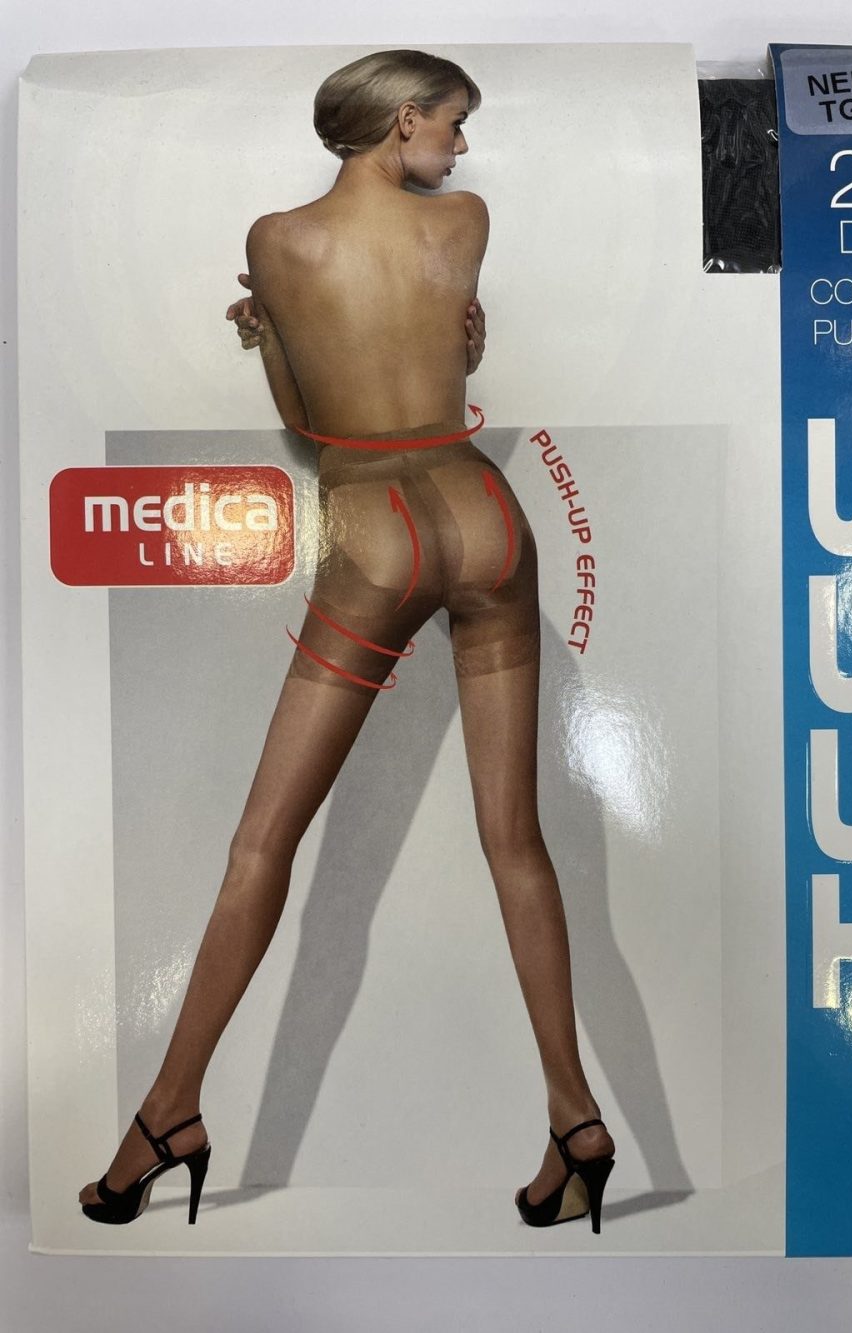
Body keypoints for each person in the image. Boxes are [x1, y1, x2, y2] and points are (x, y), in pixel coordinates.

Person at [78, 48, 615, 1235]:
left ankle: (167, 1114)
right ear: (402, 120)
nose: (463, 148)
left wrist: (268, 332)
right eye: (454, 122)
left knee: (261, 845)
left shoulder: (278, 242)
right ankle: (574, 1118)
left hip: (375, 525)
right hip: (486, 517)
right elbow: (454, 357)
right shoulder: (465, 226)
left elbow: (310, 421)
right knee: (516, 841)